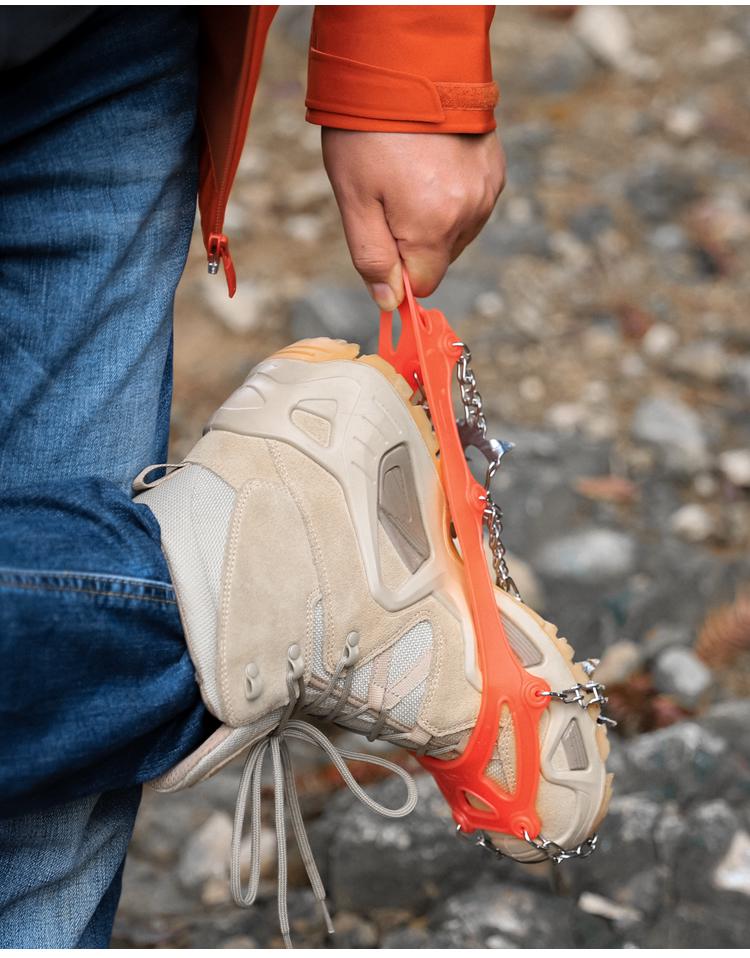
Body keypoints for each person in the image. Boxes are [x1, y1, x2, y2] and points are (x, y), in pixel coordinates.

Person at [0, 6, 610, 948]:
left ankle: (273, 573)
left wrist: (407, 60)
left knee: (40, 835)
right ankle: (269, 584)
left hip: (95, 48)